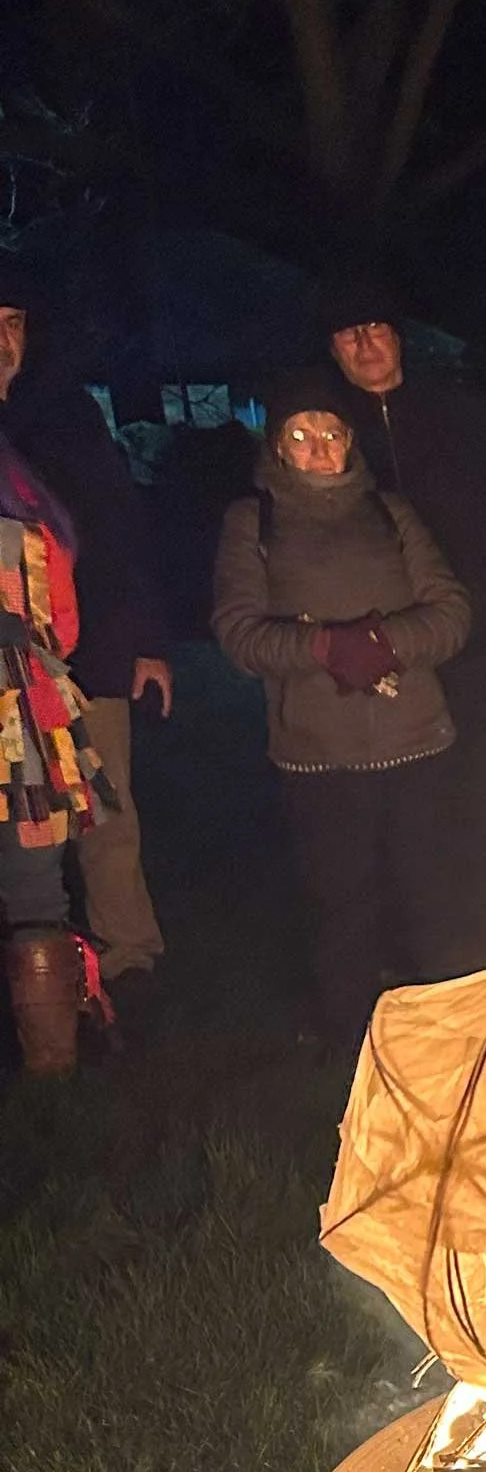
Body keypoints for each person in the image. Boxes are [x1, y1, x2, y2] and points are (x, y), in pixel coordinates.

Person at [211, 369, 472, 1049]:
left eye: (332, 432)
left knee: (432, 895)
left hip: (416, 737)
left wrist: (383, 643)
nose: (320, 448)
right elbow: (239, 635)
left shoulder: (391, 512)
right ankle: (351, 1043)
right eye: (301, 436)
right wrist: (323, 646)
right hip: (318, 751)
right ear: (276, 447)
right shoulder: (254, 520)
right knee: (341, 905)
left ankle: (444, 1034)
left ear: (351, 440)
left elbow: (451, 613)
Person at [317, 271, 486, 951]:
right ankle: (411, 942)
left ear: (398, 337)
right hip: (389, 647)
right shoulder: (329, 432)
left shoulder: (460, 414)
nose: (366, 343)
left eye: (376, 329)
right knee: (402, 798)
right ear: (334, 349)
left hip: (481, 634)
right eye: (350, 334)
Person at [0, 265, 174, 998]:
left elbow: (118, 531)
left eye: (12, 323)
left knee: (105, 810)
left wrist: (145, 642)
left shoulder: (64, 416)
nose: (2, 340)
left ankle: (125, 957)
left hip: (86, 653)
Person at [0, 421, 116, 1076]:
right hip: (25, 708)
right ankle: (51, 1072)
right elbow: (59, 622)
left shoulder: (24, 473)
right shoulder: (27, 491)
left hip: (25, 709)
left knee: (34, 889)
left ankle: (51, 1073)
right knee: (35, 889)